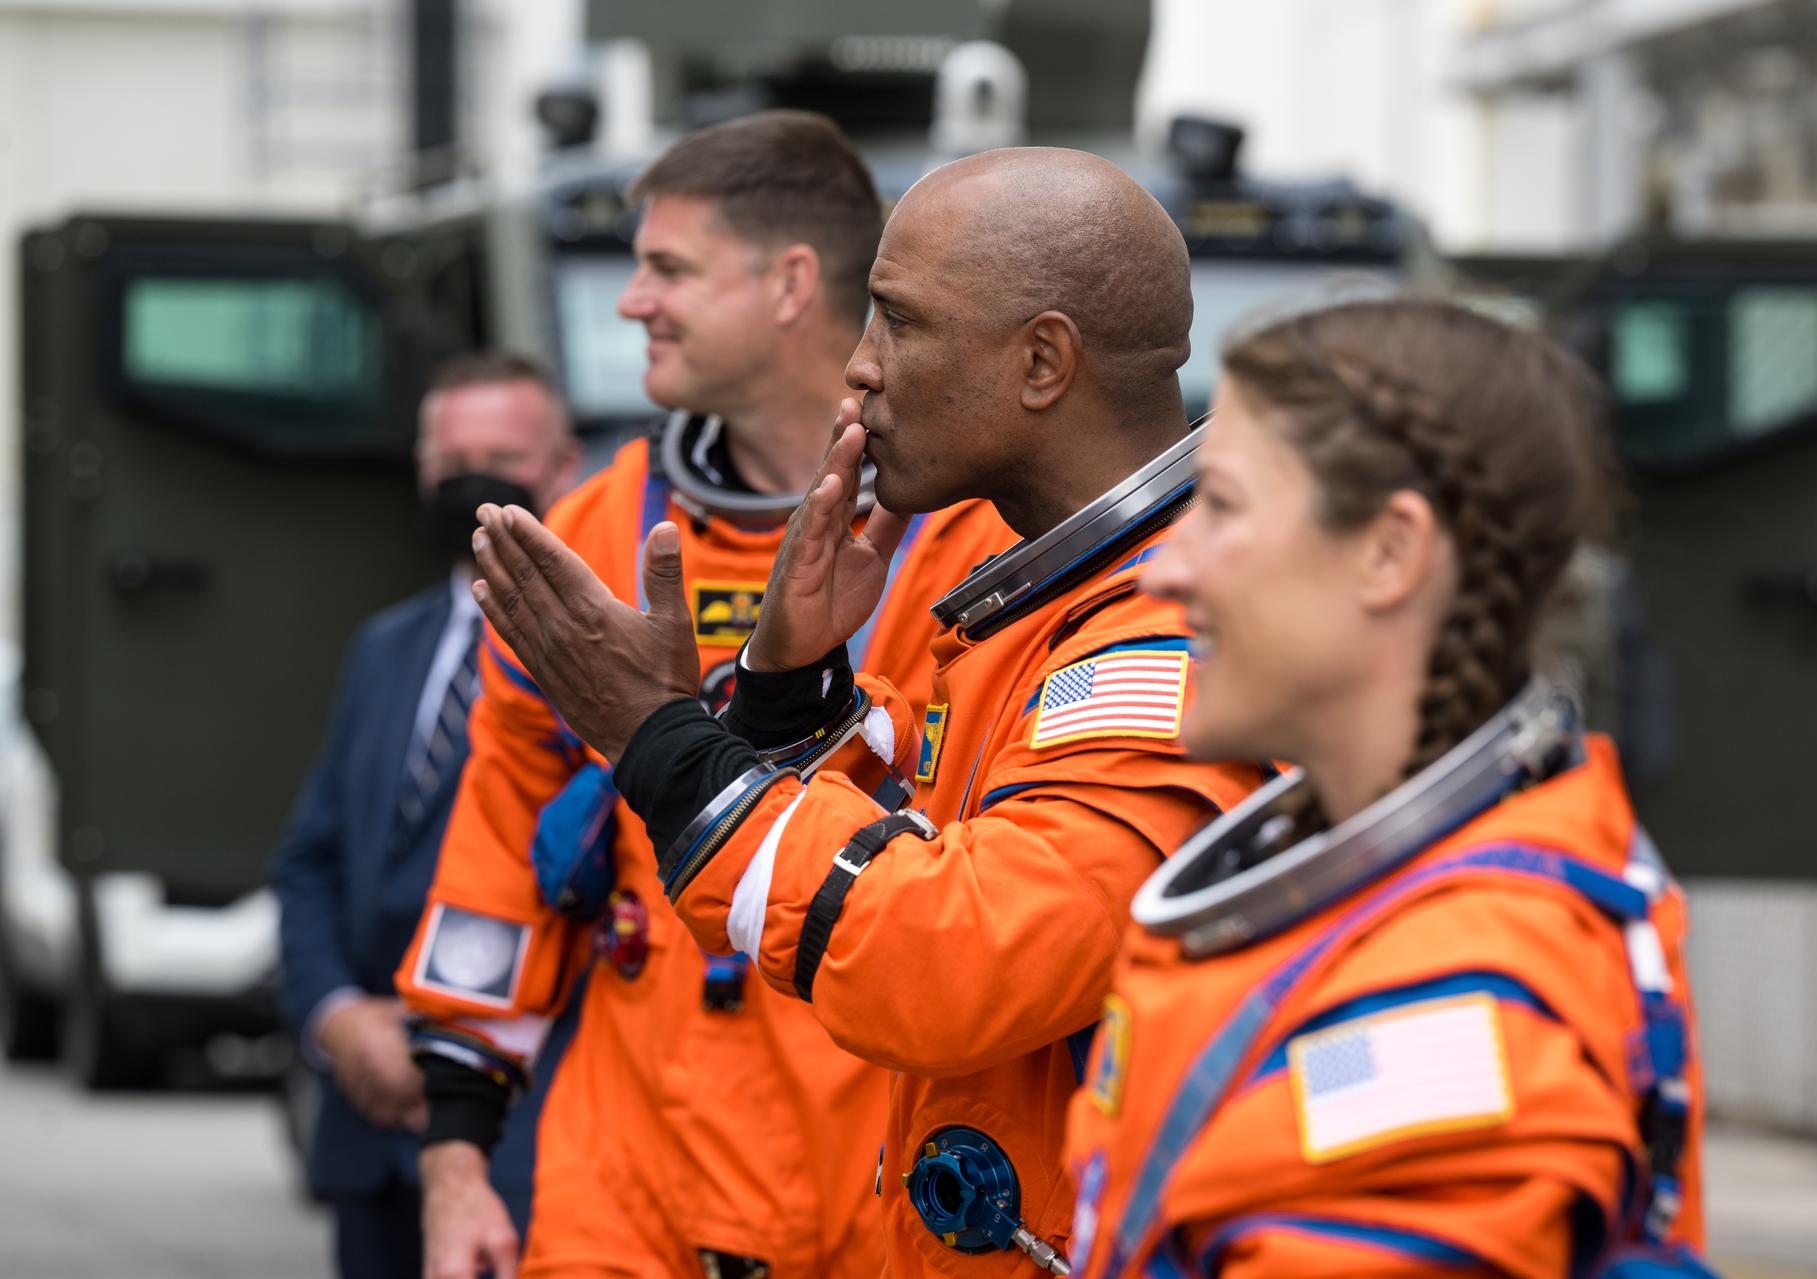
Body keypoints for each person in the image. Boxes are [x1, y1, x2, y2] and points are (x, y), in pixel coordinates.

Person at [464, 147, 1266, 1277]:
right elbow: (925, 843)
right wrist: (794, 691)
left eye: (897, 323)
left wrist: (662, 738)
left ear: (1043, 362)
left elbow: (963, 958)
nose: (857, 370)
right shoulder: (1063, 600)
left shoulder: (1171, 630)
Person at [394, 111, 1013, 1279]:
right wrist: (458, 1157)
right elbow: (496, 843)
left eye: (666, 267)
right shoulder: (594, 532)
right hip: (628, 1178)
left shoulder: (971, 540)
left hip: (882, 1166)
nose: (632, 301)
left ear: (789, 284)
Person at [1061, 300, 1713, 1278]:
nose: (1167, 568)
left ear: (1391, 552)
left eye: (1222, 506)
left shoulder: (1445, 1017)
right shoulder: (1426, 885)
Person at [272, 350, 582, 1279]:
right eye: (450, 463)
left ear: (564, 466)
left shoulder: (599, 659)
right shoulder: (384, 645)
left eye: (502, 455)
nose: (471, 482)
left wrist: (454, 1048)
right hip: (367, 1132)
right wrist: (339, 1019)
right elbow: (310, 861)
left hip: (524, 1134)